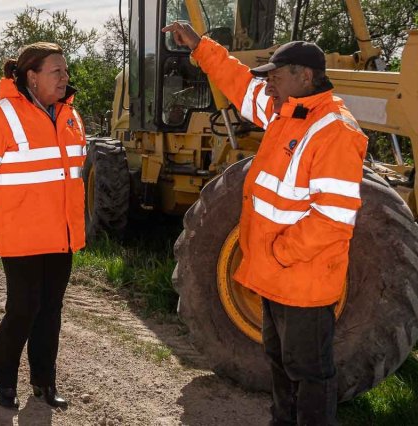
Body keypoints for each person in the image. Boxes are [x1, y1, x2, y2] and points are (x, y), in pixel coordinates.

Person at [163, 22, 367, 426]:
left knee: (310, 373)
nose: (267, 84)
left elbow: (333, 218)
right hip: (276, 278)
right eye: (268, 77)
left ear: (304, 77)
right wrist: (200, 47)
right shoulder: (285, 111)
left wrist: (279, 252)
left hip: (303, 281)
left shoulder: (334, 131)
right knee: (279, 362)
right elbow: (238, 82)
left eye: (275, 76)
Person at [0, 42, 87, 411]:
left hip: (61, 235)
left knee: (51, 311)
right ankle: (5, 384)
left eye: (65, 70)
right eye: (56, 71)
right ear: (31, 76)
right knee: (23, 309)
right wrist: (15, 207)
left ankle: (44, 382)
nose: (65, 78)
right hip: (23, 236)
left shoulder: (70, 115)